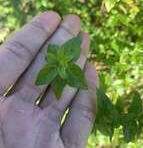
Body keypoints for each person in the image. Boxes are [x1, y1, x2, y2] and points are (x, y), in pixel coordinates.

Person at [0, 11, 98, 148]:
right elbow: (51, 56)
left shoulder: (63, 64)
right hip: (58, 64)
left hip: (62, 63)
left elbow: (58, 53)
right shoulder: (55, 64)